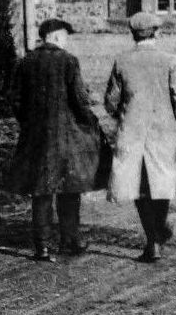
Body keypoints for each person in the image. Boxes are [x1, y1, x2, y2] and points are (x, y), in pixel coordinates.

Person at [103, 12, 176, 263]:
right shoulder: (170, 60)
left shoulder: (122, 61)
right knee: (163, 182)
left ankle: (152, 242)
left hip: (132, 132)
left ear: (133, 34)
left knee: (139, 186)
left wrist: (124, 111)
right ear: (156, 33)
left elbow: (111, 103)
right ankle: (159, 228)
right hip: (164, 132)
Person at [6, 18, 104, 262]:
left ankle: (42, 246)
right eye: (65, 35)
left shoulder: (24, 61)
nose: (66, 40)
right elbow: (79, 100)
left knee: (41, 191)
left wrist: (28, 123)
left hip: (35, 137)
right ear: (57, 36)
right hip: (65, 136)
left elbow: (16, 100)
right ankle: (69, 240)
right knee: (69, 187)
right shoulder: (68, 61)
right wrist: (91, 122)